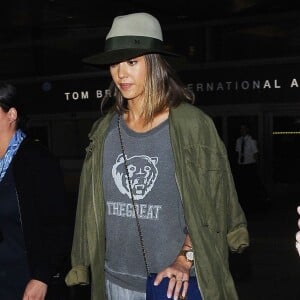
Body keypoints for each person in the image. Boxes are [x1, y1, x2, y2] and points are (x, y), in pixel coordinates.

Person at [65, 12, 249, 300]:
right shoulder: (103, 132)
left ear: (156, 63)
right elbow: (89, 210)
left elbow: (216, 203)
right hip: (114, 281)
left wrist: (185, 259)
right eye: (114, 63)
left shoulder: (192, 126)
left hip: (173, 283)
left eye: (132, 62)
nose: (121, 74)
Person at [0, 83, 71, 299]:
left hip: (27, 280)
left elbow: (60, 225)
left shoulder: (38, 160)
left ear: (11, 114)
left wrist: (42, 277)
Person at [234, 124, 266, 213]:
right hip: (241, 165)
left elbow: (255, 154)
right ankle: (243, 205)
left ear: (247, 130)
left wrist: (257, 166)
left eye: (243, 129)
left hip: (250, 165)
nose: (242, 131)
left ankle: (253, 206)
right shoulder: (239, 140)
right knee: (242, 186)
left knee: (251, 186)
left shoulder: (251, 141)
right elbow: (238, 153)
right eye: (241, 129)